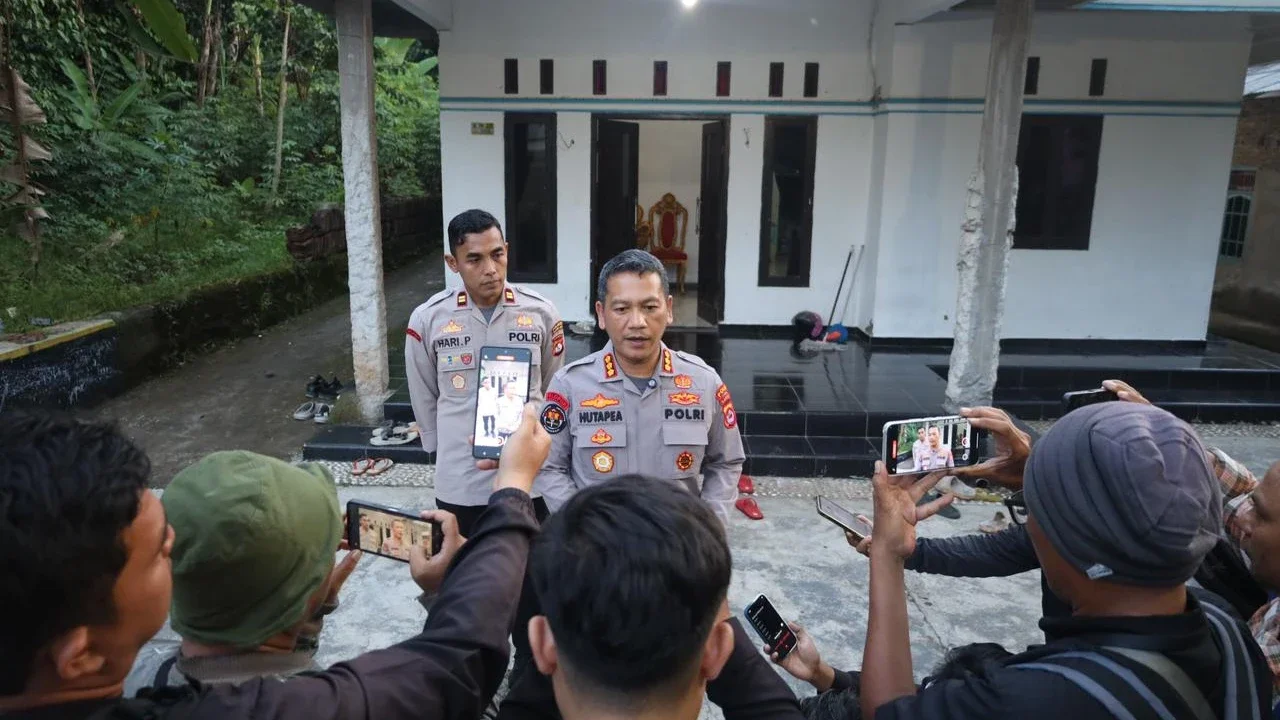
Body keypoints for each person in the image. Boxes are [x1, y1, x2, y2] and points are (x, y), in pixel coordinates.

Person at [0, 406, 548, 720]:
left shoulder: (148, 678)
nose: (176, 547)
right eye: (163, 550)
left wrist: (303, 617)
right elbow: (453, 671)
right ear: (80, 655)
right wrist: (512, 488)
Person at [858, 402, 1272, 719]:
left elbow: (886, 712)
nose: (1029, 526)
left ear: (1064, 542)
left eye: (1034, 512)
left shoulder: (1033, 699)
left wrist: (888, 555)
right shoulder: (1227, 628)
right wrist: (1050, 475)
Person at [498, 479, 804, 720]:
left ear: (543, 644)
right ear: (718, 650)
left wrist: (511, 491)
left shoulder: (535, 668)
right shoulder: (722, 650)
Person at [535, 249, 745, 523]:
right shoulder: (569, 386)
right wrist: (582, 528)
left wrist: (708, 527)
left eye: (650, 307)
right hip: (598, 544)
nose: (637, 322)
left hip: (676, 543)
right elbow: (549, 466)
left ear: (668, 309)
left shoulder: (704, 383)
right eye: (622, 309)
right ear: (601, 314)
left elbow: (726, 462)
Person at [124, 451, 360, 694]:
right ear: (304, 596)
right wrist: (308, 607)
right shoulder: (337, 702)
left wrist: (304, 614)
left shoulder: (131, 678)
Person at [405, 208, 564, 536]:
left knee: (530, 562)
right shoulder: (428, 320)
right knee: (461, 560)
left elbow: (551, 386)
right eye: (474, 259)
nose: (490, 269)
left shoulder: (541, 313)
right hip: (461, 481)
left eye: (497, 254)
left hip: (530, 479)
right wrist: (440, 450)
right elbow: (424, 395)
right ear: (453, 263)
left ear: (507, 250)